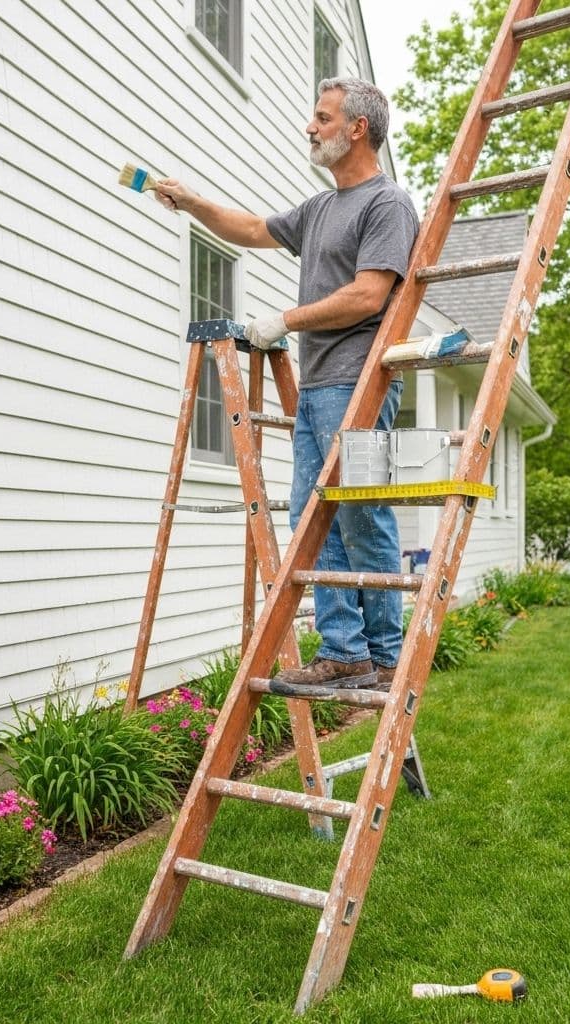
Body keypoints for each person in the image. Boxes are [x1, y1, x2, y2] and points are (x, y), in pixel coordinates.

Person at [154, 77, 420, 691]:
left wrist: (284, 320)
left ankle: (384, 657)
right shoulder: (320, 208)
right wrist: (193, 203)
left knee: (360, 516)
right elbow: (250, 229)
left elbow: (368, 295)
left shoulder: (388, 204)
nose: (310, 127)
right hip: (320, 382)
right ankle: (346, 652)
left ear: (357, 128)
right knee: (310, 516)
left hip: (363, 382)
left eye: (322, 118)